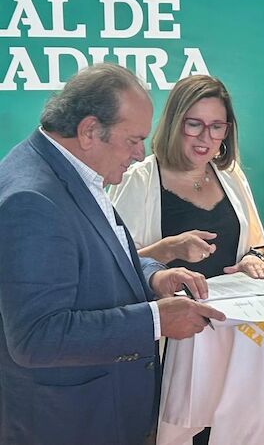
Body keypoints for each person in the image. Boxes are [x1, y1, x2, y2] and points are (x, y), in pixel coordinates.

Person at [0, 63, 225, 445]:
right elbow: (37, 336)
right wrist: (155, 320)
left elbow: (103, 253)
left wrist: (153, 276)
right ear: (90, 131)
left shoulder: (66, 169)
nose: (140, 153)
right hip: (70, 423)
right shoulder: (32, 200)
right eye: (133, 140)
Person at [109, 74, 264, 281]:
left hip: (234, 300)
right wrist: (167, 249)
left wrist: (252, 259)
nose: (205, 137)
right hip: (169, 301)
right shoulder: (137, 179)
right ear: (174, 124)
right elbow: (111, 267)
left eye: (216, 127)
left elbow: (258, 246)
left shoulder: (230, 174)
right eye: (195, 124)